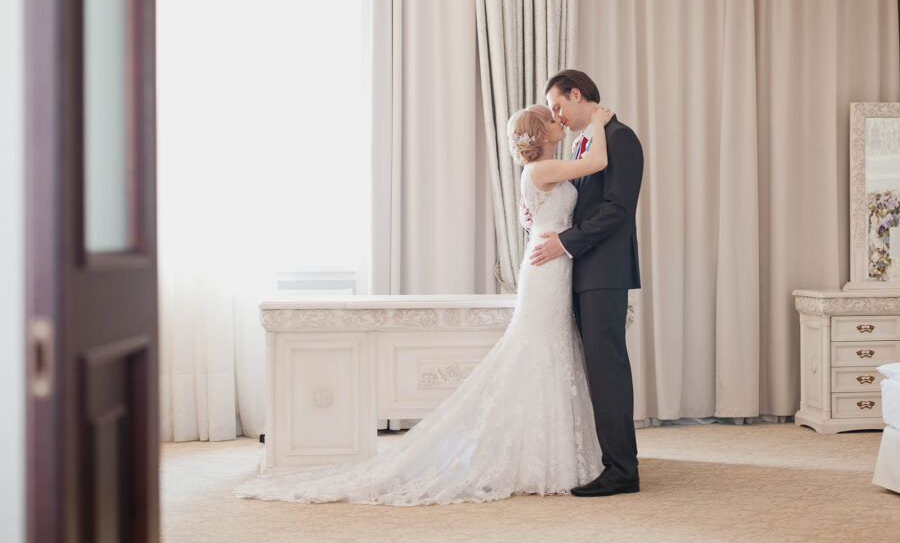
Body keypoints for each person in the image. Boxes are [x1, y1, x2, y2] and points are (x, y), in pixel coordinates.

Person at [235, 103, 615, 506]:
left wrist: (535, 220)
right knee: (540, 351)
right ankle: (538, 456)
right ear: (539, 134)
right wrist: (597, 123)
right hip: (547, 269)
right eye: (551, 119)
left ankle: (551, 452)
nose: (560, 121)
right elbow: (598, 161)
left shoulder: (540, 172)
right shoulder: (540, 170)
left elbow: (543, 211)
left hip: (552, 262)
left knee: (550, 351)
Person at [530, 69, 644, 497]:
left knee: (607, 370)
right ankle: (610, 459)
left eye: (558, 105)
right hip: (579, 272)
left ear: (577, 94)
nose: (556, 114)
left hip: (603, 272)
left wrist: (565, 242)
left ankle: (622, 471)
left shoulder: (621, 137)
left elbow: (617, 210)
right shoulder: (586, 141)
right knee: (596, 371)